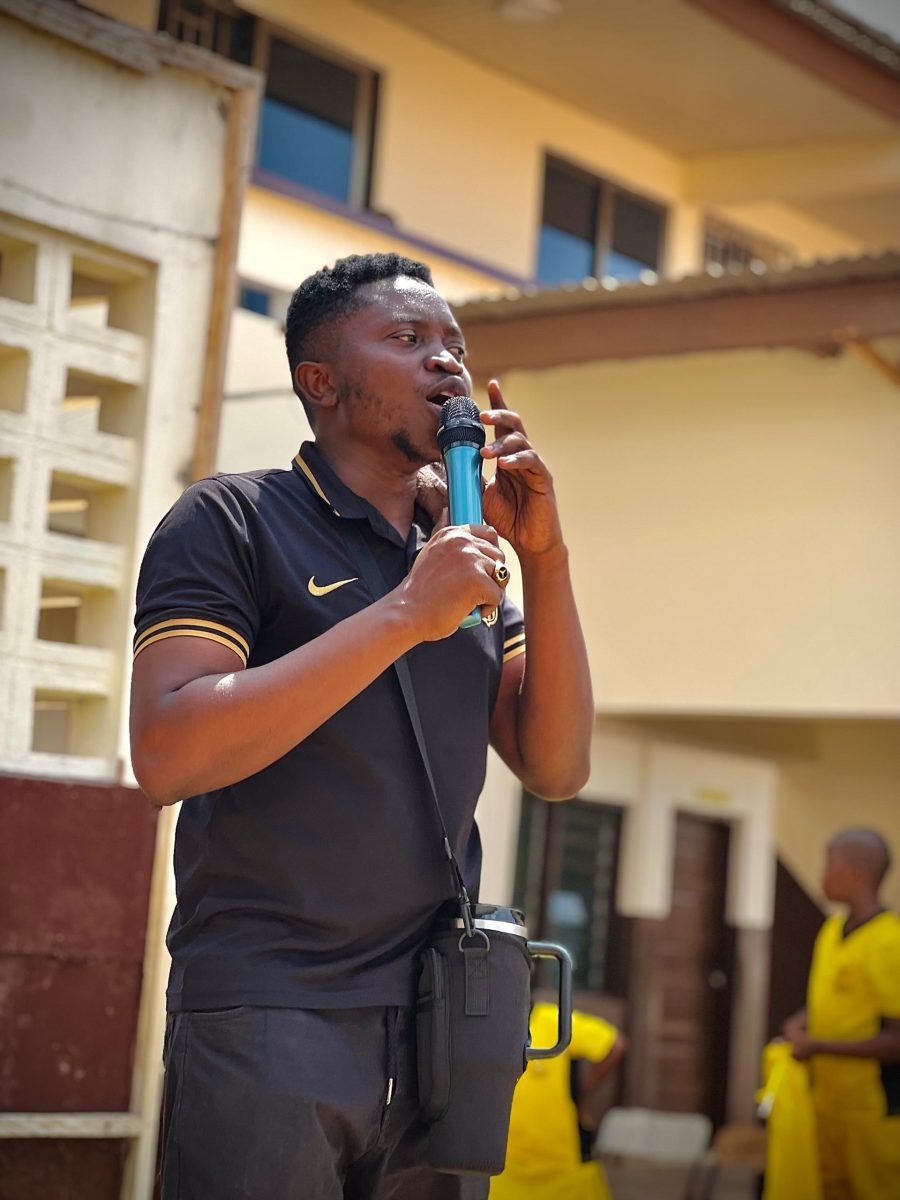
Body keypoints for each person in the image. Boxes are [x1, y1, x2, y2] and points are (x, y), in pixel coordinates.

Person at [129, 252, 593, 1200]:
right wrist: (405, 614)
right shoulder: (233, 520)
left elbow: (555, 766)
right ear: (321, 382)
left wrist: (544, 560)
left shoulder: (461, 558)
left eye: (454, 344)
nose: (446, 362)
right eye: (408, 339)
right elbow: (168, 752)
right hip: (271, 1010)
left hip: (441, 1018)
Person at [783, 828, 900, 1200]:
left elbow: (896, 1040)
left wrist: (818, 1045)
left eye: (829, 865)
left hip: (871, 1111)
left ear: (856, 873)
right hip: (825, 1102)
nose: (823, 875)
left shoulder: (890, 941)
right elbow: (830, 998)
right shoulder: (832, 929)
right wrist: (800, 1022)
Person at [489, 1003, 626, 1200]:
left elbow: (614, 1043)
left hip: (562, 1164)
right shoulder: (492, 1029)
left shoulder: (553, 1020)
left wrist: (584, 1091)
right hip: (507, 1166)